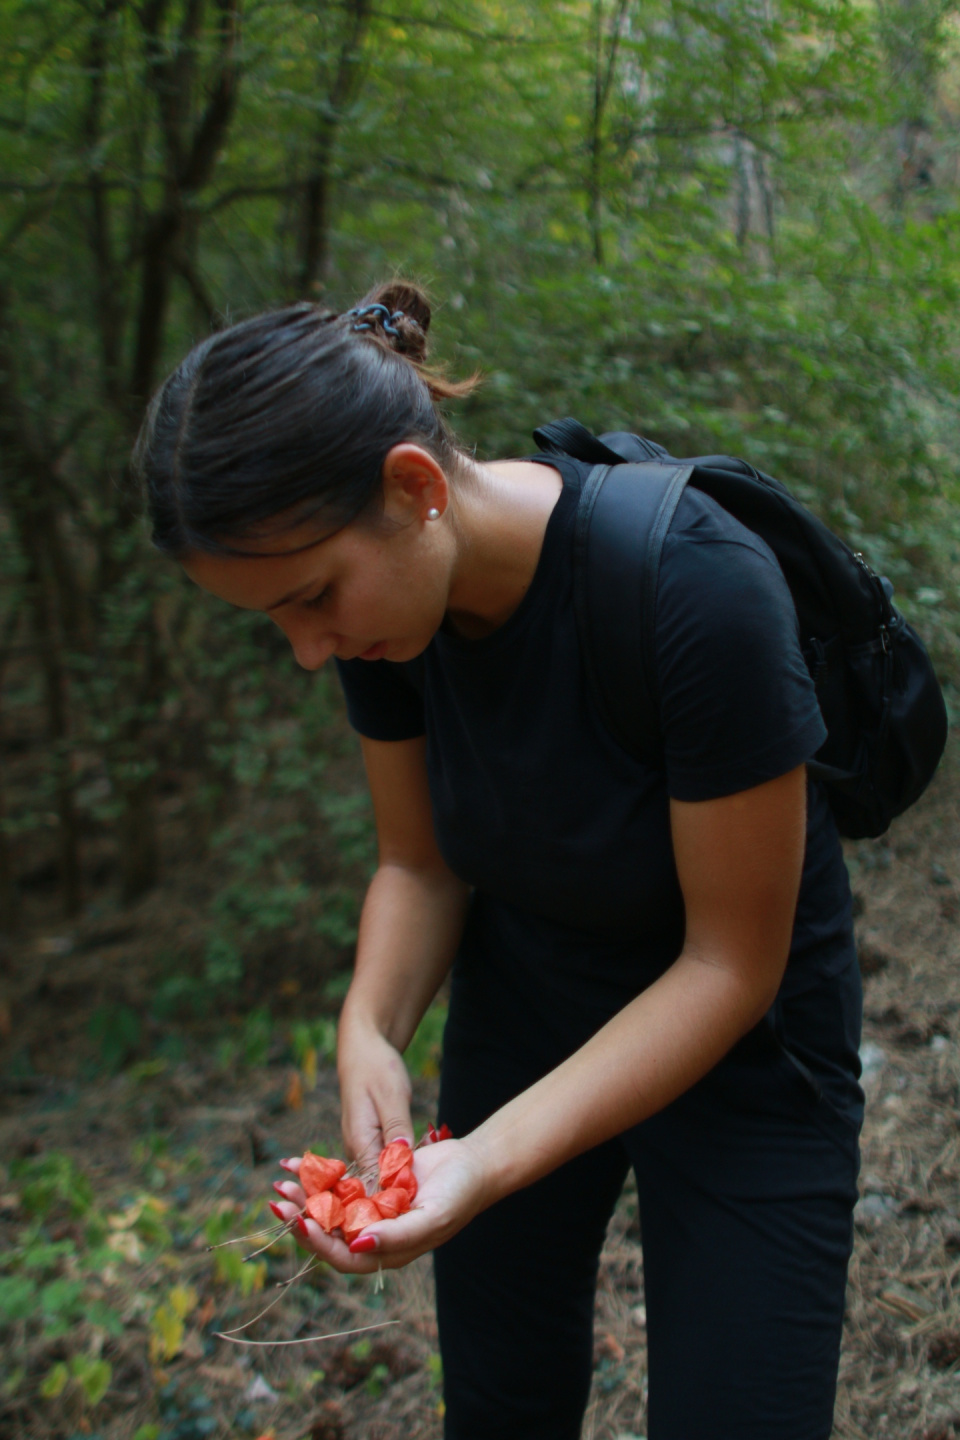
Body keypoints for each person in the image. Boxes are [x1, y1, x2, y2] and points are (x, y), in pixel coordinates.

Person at [135, 281, 864, 1440]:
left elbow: (731, 964)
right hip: (527, 997)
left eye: (312, 599)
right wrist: (369, 1027)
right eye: (273, 617)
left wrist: (485, 1161)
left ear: (414, 490)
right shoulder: (386, 616)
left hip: (743, 1043)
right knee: (502, 1404)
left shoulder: (696, 588)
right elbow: (420, 866)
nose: (309, 652)